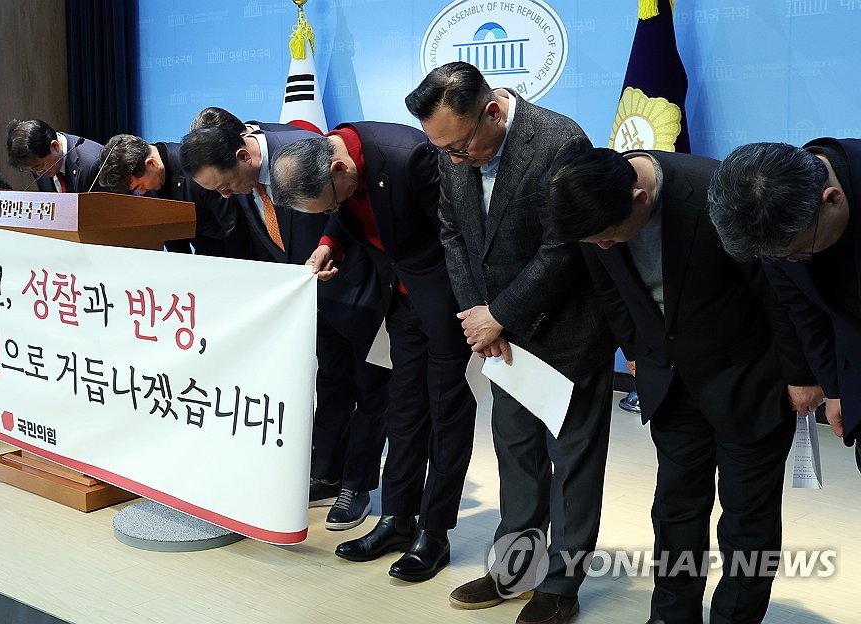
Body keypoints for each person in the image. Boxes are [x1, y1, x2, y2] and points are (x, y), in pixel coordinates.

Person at [548, 147, 823, 624]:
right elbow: (608, 289)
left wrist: (801, 374)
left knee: (748, 520)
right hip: (670, 383)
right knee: (675, 510)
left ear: (639, 198)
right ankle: (671, 615)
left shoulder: (719, 191)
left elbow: (779, 292)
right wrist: (634, 349)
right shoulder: (587, 204)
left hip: (746, 378)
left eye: (610, 237)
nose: (605, 247)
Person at [405, 61, 614, 624]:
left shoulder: (558, 142)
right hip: (502, 338)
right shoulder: (453, 146)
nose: (453, 159)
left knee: (573, 464)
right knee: (516, 455)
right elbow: (452, 233)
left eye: (460, 146)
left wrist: (500, 314)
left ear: (493, 112)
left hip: (567, 331)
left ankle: (562, 587)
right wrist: (481, 315)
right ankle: (515, 571)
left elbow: (563, 248)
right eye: (442, 149)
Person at [270, 121, 477, 582]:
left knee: (446, 414)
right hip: (399, 301)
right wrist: (328, 244)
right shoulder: (332, 161)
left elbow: (458, 232)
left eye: (332, 201)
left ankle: (434, 532)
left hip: (447, 303)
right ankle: (397, 520)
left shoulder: (409, 157)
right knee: (403, 410)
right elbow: (343, 213)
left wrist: (474, 307)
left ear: (339, 168)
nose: (336, 208)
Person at [181, 125, 391, 525]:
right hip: (312, 301)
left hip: (358, 291)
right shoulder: (244, 182)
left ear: (243, 157)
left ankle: (357, 484)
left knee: (371, 392)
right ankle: (326, 473)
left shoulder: (300, 152)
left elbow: (347, 214)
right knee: (331, 384)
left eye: (225, 185)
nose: (224, 195)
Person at [708, 138, 861, 472]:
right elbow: (803, 310)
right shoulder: (776, 226)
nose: (792, 261)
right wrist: (835, 388)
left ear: (832, 199)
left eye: (800, 252)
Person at [94, 133, 254, 258]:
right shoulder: (148, 179)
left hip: (241, 251)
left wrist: (233, 270)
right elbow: (172, 234)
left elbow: (235, 225)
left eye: (139, 186)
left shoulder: (197, 167)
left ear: (151, 164)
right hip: (205, 258)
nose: (141, 192)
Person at [5, 119, 105, 193]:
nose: (38, 173)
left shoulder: (93, 163)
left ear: (55, 146)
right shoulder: (37, 163)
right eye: (33, 170)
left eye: (39, 167)